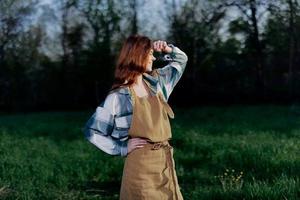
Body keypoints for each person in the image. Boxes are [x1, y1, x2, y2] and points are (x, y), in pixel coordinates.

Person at [83, 34, 188, 200]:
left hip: (165, 163)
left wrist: (168, 50)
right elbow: (92, 131)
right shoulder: (118, 96)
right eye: (150, 53)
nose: (153, 57)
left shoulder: (158, 83)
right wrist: (122, 148)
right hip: (140, 168)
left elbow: (181, 60)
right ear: (138, 55)